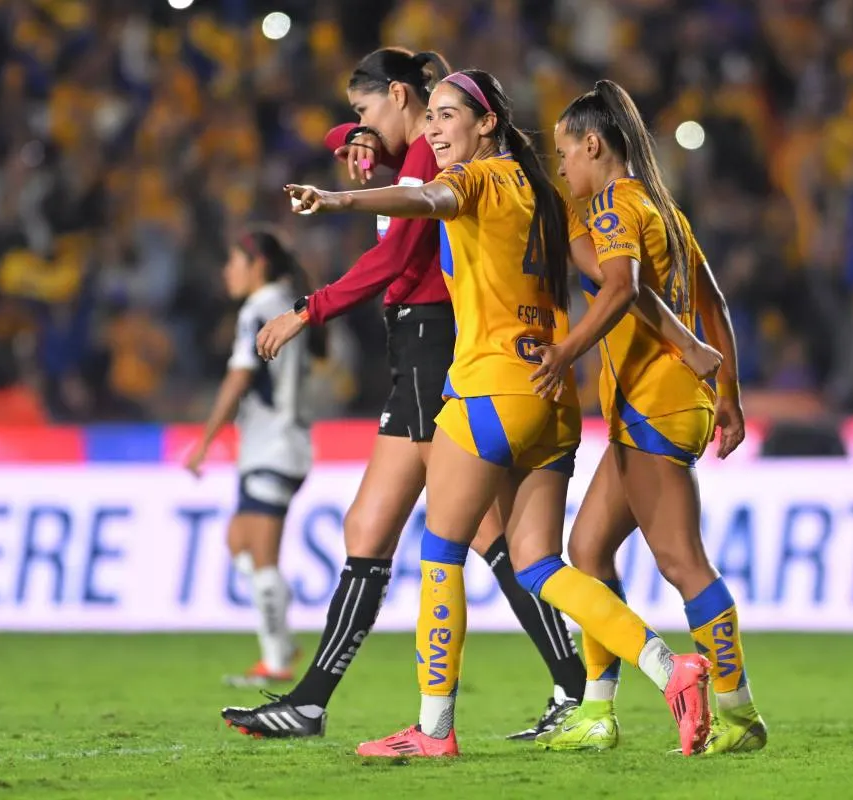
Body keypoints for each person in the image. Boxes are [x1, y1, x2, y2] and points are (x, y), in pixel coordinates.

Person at [283, 68, 716, 758]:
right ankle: (673, 668)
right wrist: (685, 341)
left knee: (440, 550)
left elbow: (425, 198)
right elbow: (615, 285)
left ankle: (432, 731)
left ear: (487, 125)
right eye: (430, 119)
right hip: (552, 400)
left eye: (448, 116)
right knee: (540, 563)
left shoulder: (479, 179)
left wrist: (336, 200)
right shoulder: (550, 193)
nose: (433, 129)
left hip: (490, 388)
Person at [223, 48, 588, 742]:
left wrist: (310, 308)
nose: (357, 130)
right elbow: (372, 153)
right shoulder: (432, 151)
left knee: (389, 530)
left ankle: (324, 703)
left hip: (430, 348)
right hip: (428, 348)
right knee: (487, 536)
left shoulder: (434, 162)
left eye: (364, 111)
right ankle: (574, 685)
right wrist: (359, 135)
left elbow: (397, 254)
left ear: (404, 96)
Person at [531, 80, 768, 755]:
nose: (562, 167)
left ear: (594, 145)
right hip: (670, 401)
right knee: (588, 552)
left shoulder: (615, 208)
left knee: (682, 562)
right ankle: (598, 713)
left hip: (653, 403)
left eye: (565, 153)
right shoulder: (661, 208)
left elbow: (621, 288)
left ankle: (739, 713)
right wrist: (729, 389)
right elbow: (712, 299)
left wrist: (568, 350)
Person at [187, 228, 324, 687]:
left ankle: (277, 659)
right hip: (278, 444)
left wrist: (206, 440)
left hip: (273, 445)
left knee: (259, 557)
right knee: (239, 545)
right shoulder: (291, 302)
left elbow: (239, 377)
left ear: (257, 265)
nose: (227, 271)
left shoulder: (259, 308)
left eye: (233, 262)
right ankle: (281, 639)